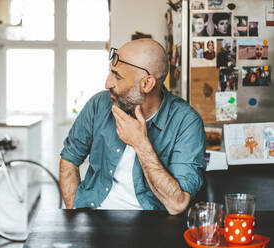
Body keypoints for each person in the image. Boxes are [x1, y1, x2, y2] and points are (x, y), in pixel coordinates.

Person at [59, 39, 206, 214]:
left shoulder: (186, 122)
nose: (107, 83)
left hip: (150, 224)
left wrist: (140, 144)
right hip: (93, 212)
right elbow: (69, 158)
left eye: (117, 76)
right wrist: (73, 212)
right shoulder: (99, 104)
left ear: (147, 84)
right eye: (110, 73)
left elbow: (177, 204)